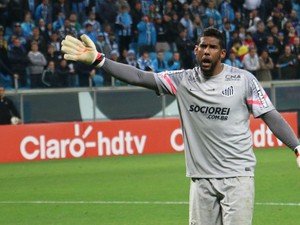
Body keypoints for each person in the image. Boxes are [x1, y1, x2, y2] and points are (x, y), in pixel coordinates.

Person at [61, 27, 300, 225]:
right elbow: (139, 77)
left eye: (212, 47)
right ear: (196, 50)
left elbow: (270, 115)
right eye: (202, 46)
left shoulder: (243, 80)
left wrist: (296, 147)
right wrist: (99, 60)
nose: (206, 51)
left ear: (223, 53)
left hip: (237, 178)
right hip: (201, 180)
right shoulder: (183, 81)